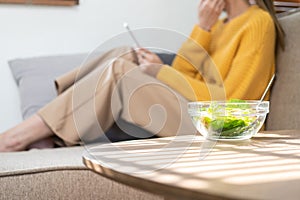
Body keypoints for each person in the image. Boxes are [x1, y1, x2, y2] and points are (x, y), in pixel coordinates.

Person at [0, 0, 285, 152]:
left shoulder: (257, 23)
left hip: (223, 129)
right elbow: (184, 73)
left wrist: (158, 71)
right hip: (199, 114)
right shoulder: (220, 26)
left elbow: (232, 100)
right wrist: (204, 27)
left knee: (121, 71)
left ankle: (19, 136)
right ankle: (51, 126)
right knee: (126, 54)